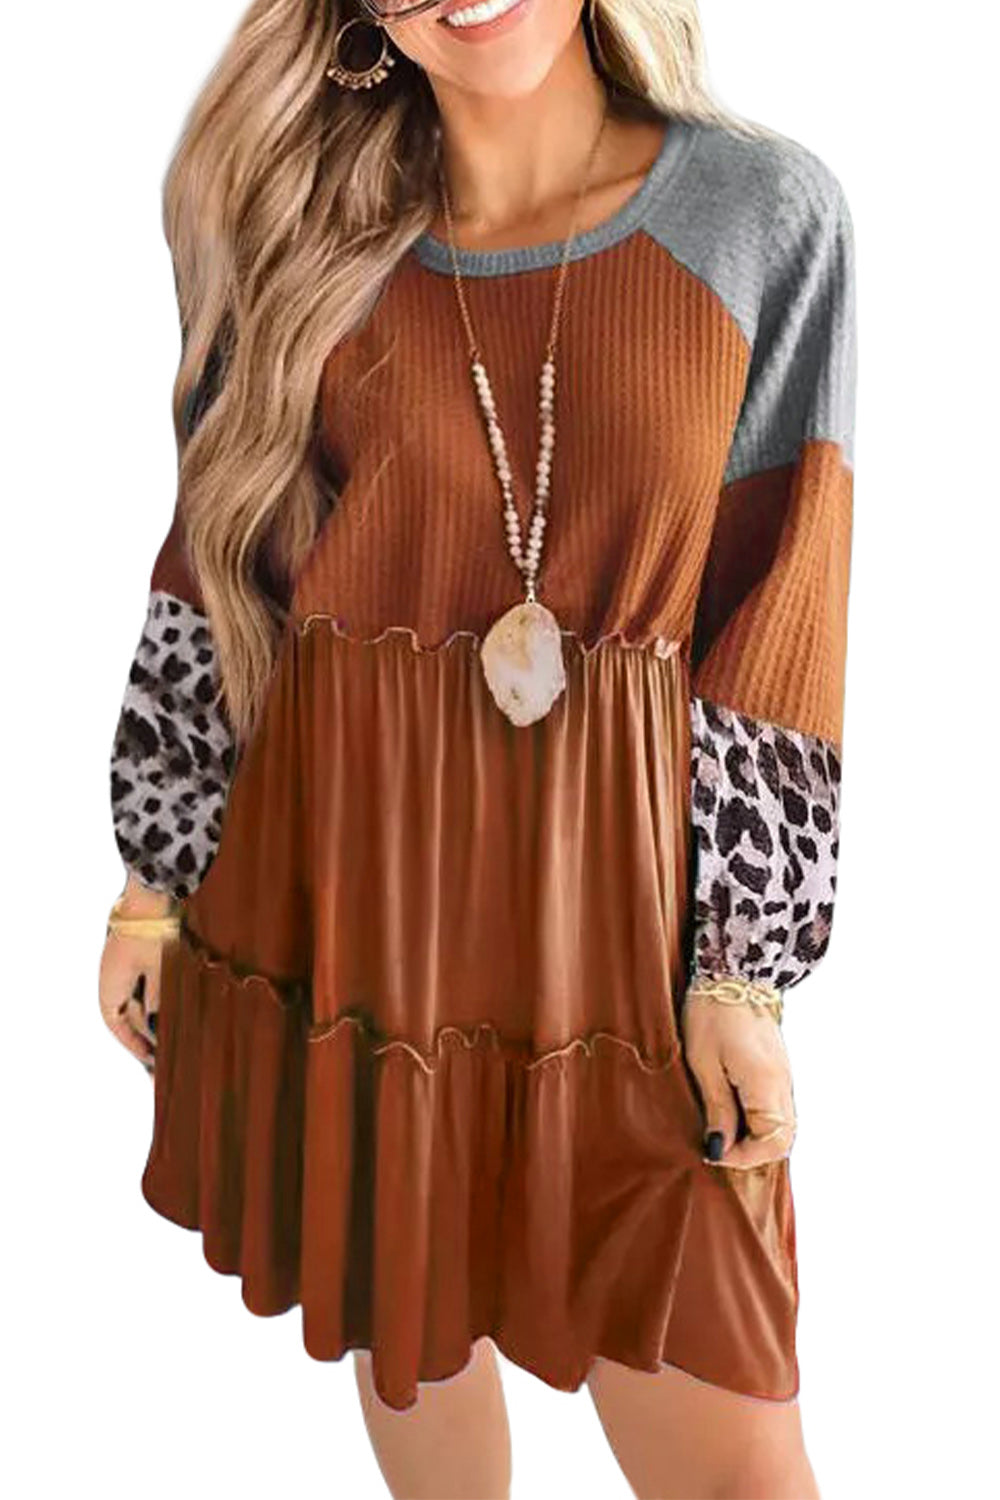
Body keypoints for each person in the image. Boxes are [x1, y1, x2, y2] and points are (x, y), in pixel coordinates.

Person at [98, 0, 856, 1495]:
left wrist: (740, 968)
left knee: (736, 1452)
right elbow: (221, 567)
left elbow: (787, 594)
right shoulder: (305, 230)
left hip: (619, 912)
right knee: (414, 1342)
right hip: (357, 878)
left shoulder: (758, 211)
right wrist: (153, 873)